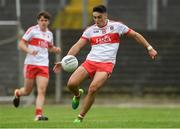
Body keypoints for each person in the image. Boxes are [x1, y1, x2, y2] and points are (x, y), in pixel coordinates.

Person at [53, 5, 158, 123]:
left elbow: (135, 35)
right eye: (94, 18)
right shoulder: (90, 30)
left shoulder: (117, 26)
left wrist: (149, 48)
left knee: (93, 88)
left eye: (99, 17)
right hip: (90, 62)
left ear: (105, 15)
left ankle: (80, 117)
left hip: (106, 65)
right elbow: (77, 45)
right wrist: (64, 61)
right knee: (71, 84)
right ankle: (77, 95)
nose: (97, 20)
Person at [13, 11, 61, 121]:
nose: (43, 22)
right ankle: (18, 93)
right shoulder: (32, 30)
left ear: (48, 22)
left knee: (42, 90)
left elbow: (49, 47)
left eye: (45, 20)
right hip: (31, 64)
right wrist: (29, 50)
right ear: (38, 21)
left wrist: (55, 49)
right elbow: (21, 44)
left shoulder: (49, 34)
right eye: (41, 20)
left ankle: (38, 115)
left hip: (43, 65)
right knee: (27, 91)